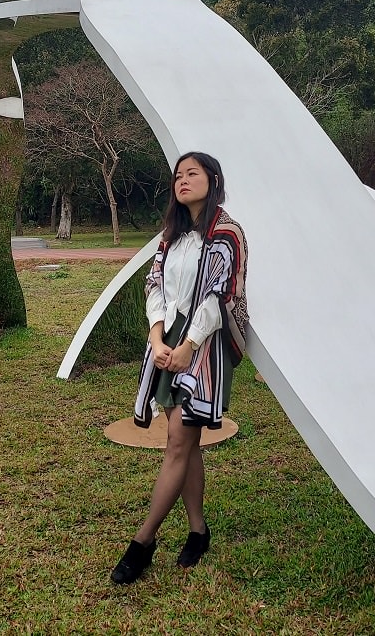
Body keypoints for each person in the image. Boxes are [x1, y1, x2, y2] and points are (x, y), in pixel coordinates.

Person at [110, 151, 249, 585]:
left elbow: (218, 297)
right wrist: (156, 339)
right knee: (183, 443)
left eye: (193, 173)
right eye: (178, 175)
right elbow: (154, 284)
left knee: (176, 443)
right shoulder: (171, 235)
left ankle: (143, 542)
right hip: (167, 342)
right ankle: (197, 530)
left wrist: (189, 345)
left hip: (203, 346)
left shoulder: (226, 232)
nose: (183, 180)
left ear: (214, 179)